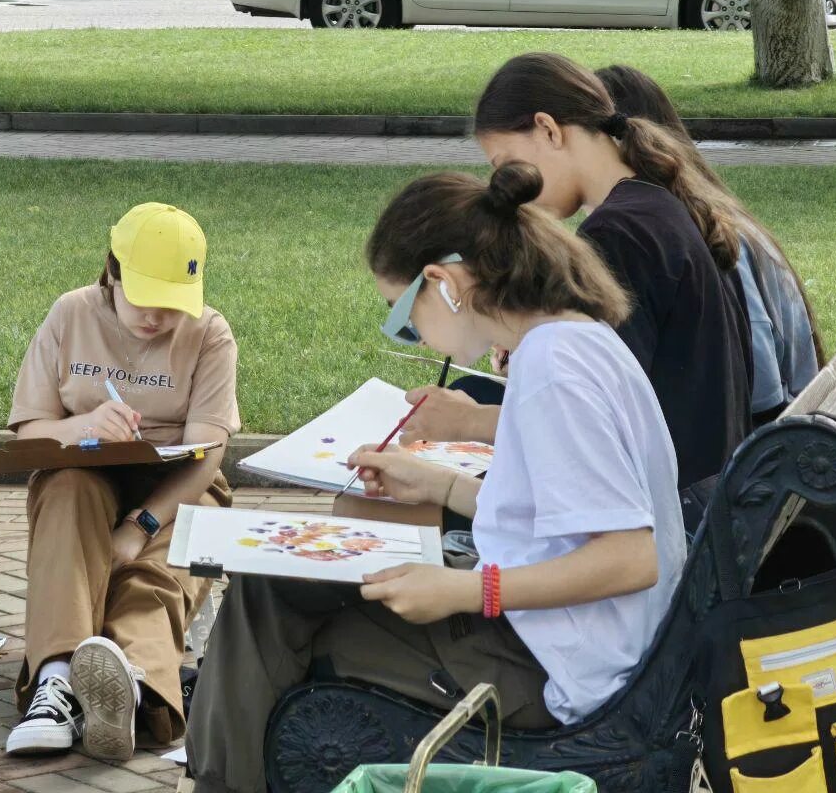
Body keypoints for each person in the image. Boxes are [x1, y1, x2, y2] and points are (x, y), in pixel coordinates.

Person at [184, 163, 685, 793]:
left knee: (273, 622)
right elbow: (558, 517)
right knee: (275, 592)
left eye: (402, 318)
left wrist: (470, 592)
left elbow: (629, 558)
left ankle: (217, 781)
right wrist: (437, 487)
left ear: (444, 283)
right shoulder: (570, 340)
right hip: (573, 644)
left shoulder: (556, 366)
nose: (415, 339)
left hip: (562, 672)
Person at [402, 53, 752, 531]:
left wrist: (468, 423)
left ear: (549, 130)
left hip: (673, 514)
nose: (508, 189)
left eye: (506, 165)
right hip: (699, 490)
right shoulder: (647, 207)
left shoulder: (620, 236)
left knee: (416, 510)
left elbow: (597, 426)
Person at [4, 203, 240, 761]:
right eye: (144, 297)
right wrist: (82, 426)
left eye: (171, 304)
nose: (157, 317)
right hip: (84, 467)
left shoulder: (211, 334)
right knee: (65, 494)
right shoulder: (70, 314)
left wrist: (142, 523)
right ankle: (58, 683)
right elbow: (28, 434)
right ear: (111, 270)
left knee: (149, 575)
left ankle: (130, 688)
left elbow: (207, 456)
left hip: (179, 485)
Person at [596, 64, 824, 423]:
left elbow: (760, 390)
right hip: (783, 437)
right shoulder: (702, 211)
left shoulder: (703, 230)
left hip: (762, 451)